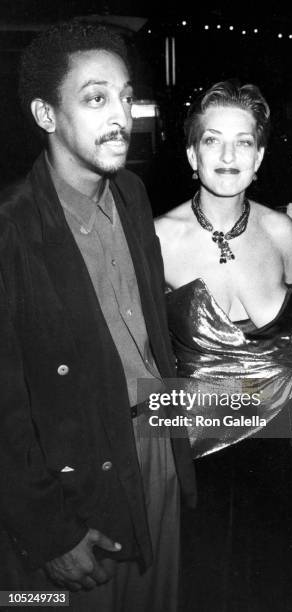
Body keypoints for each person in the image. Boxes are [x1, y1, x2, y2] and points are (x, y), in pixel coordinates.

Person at [0, 21, 195, 612]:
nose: (122, 115)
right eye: (95, 98)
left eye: (126, 95)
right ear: (46, 114)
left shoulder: (133, 193)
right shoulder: (12, 230)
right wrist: (46, 529)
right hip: (73, 473)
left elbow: (142, 336)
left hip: (156, 442)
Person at [155, 81, 292, 611]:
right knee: (207, 578)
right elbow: (140, 353)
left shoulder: (282, 231)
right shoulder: (156, 240)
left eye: (243, 142)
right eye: (212, 140)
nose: (227, 155)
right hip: (199, 445)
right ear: (191, 152)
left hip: (282, 441)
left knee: (276, 576)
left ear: (260, 156)